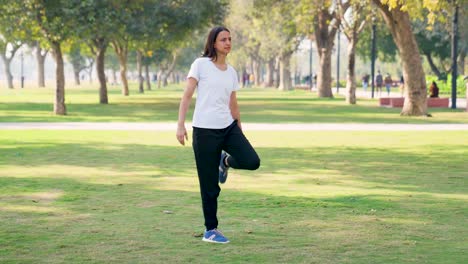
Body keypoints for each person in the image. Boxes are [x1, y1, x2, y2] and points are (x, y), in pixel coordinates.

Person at [176, 26, 261, 244]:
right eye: (223, 39)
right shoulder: (200, 65)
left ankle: (225, 161)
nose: (228, 42)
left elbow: (233, 104)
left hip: (228, 128)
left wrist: (240, 132)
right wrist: (180, 125)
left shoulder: (231, 72)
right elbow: (187, 96)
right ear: (213, 43)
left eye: (230, 39)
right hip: (204, 131)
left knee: (252, 160)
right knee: (209, 185)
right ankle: (210, 230)